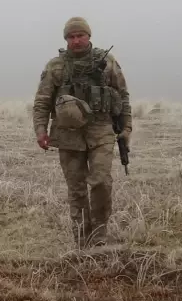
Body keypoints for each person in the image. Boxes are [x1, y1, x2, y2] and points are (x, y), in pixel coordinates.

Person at [32, 17, 132, 248]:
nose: (76, 41)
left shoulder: (107, 62)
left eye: (80, 36)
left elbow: (123, 95)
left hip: (101, 130)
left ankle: (99, 233)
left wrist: (126, 128)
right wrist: (40, 130)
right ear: (66, 39)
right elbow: (42, 101)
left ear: (89, 36)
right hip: (67, 134)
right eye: (71, 37)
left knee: (101, 182)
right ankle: (81, 239)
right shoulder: (55, 66)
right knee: (76, 189)